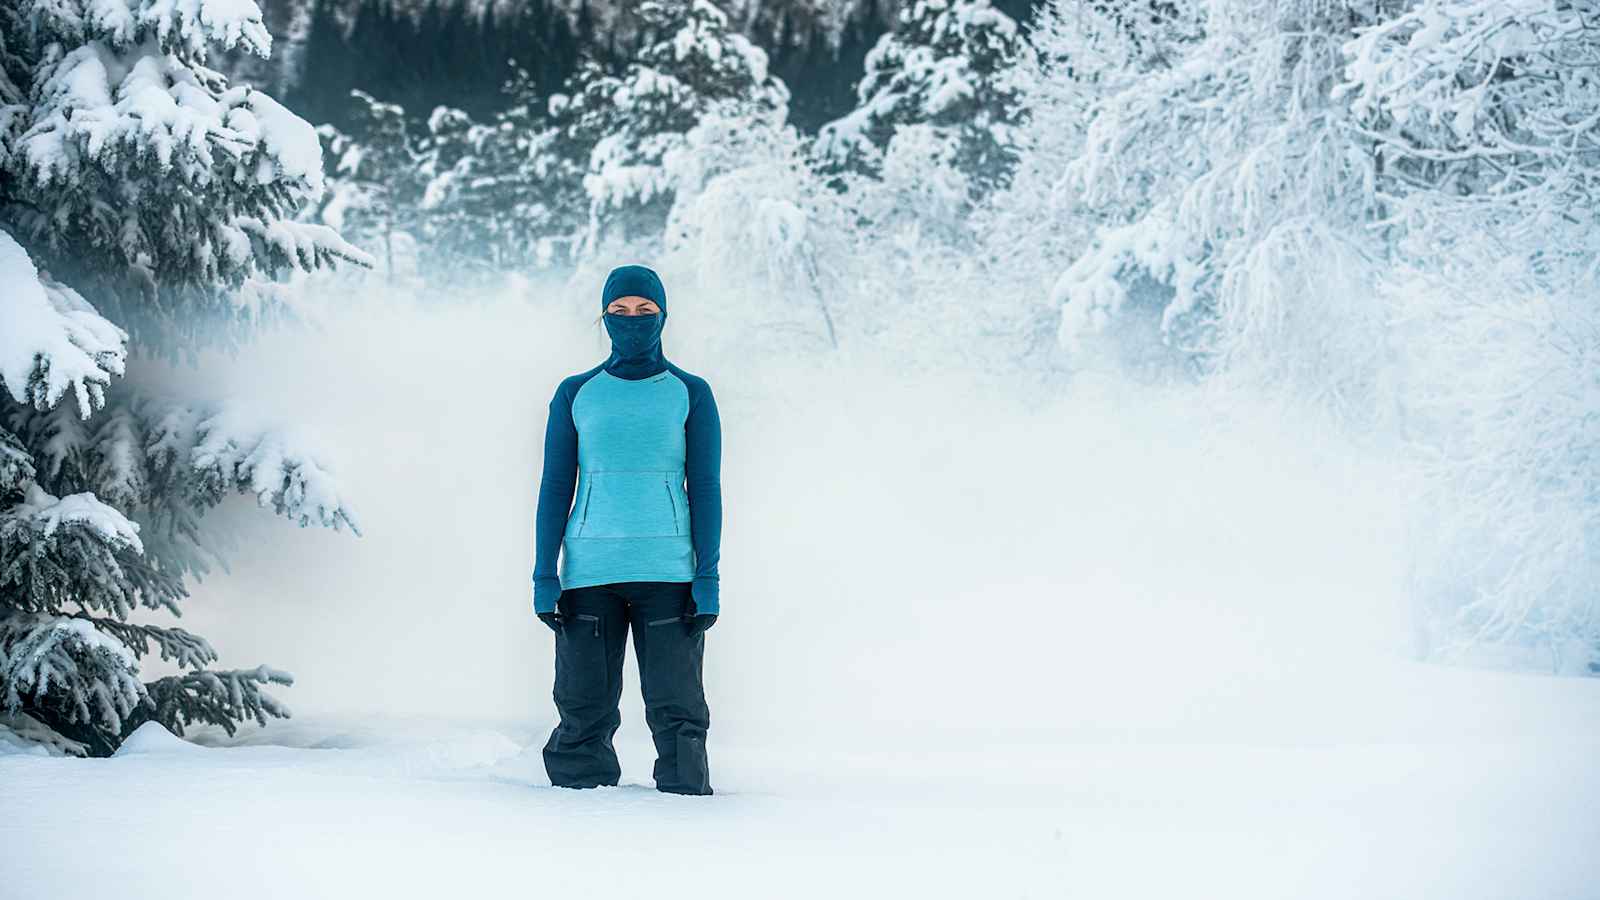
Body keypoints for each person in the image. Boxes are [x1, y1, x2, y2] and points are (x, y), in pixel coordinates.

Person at [530, 263, 722, 796]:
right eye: (619, 311)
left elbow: (705, 488)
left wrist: (708, 577)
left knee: (678, 708)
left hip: (669, 574)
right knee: (582, 706)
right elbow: (554, 487)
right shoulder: (576, 393)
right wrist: (546, 574)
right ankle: (576, 811)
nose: (632, 321)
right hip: (589, 573)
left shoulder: (691, 392)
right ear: (604, 317)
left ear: (663, 317)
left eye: (645, 311)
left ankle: (688, 809)